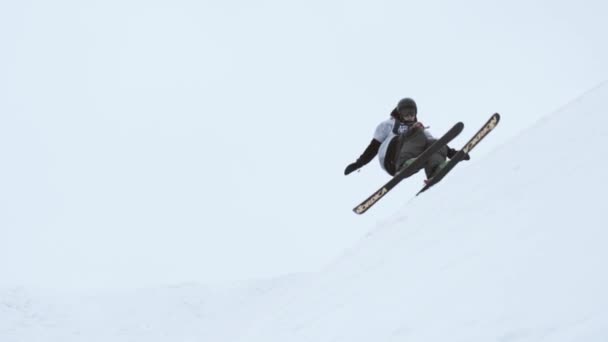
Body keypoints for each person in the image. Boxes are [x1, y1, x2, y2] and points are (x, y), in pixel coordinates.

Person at [344, 98, 467, 179]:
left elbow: (439, 144)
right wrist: (359, 163)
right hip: (392, 160)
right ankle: (404, 164)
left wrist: (453, 154)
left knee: (432, 142)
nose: (409, 116)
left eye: (412, 113)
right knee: (416, 131)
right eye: (405, 112)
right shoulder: (389, 124)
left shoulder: (420, 129)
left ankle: (435, 169)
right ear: (399, 113)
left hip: (413, 161)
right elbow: (374, 146)